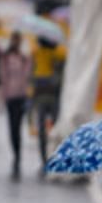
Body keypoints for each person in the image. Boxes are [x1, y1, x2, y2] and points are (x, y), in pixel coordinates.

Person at [0, 31, 32, 178]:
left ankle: (18, 155)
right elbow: (3, 77)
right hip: (10, 96)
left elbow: (27, 76)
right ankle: (15, 152)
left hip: (21, 96)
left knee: (18, 126)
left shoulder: (24, 58)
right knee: (12, 127)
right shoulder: (5, 58)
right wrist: (3, 96)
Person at [31, 38, 64, 175]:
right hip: (54, 97)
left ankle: (44, 161)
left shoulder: (36, 55)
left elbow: (32, 77)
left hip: (40, 97)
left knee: (42, 131)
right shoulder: (60, 56)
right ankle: (55, 158)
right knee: (56, 129)